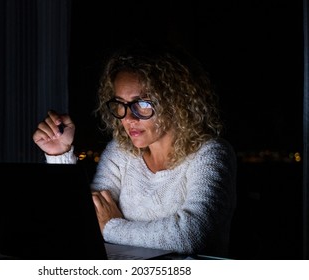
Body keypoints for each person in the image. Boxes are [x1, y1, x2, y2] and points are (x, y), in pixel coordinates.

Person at [32, 42, 237, 257]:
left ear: (178, 103)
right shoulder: (121, 152)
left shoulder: (211, 154)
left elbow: (190, 235)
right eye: (121, 103)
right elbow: (80, 220)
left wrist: (111, 227)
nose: (128, 118)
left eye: (143, 104)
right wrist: (59, 155)